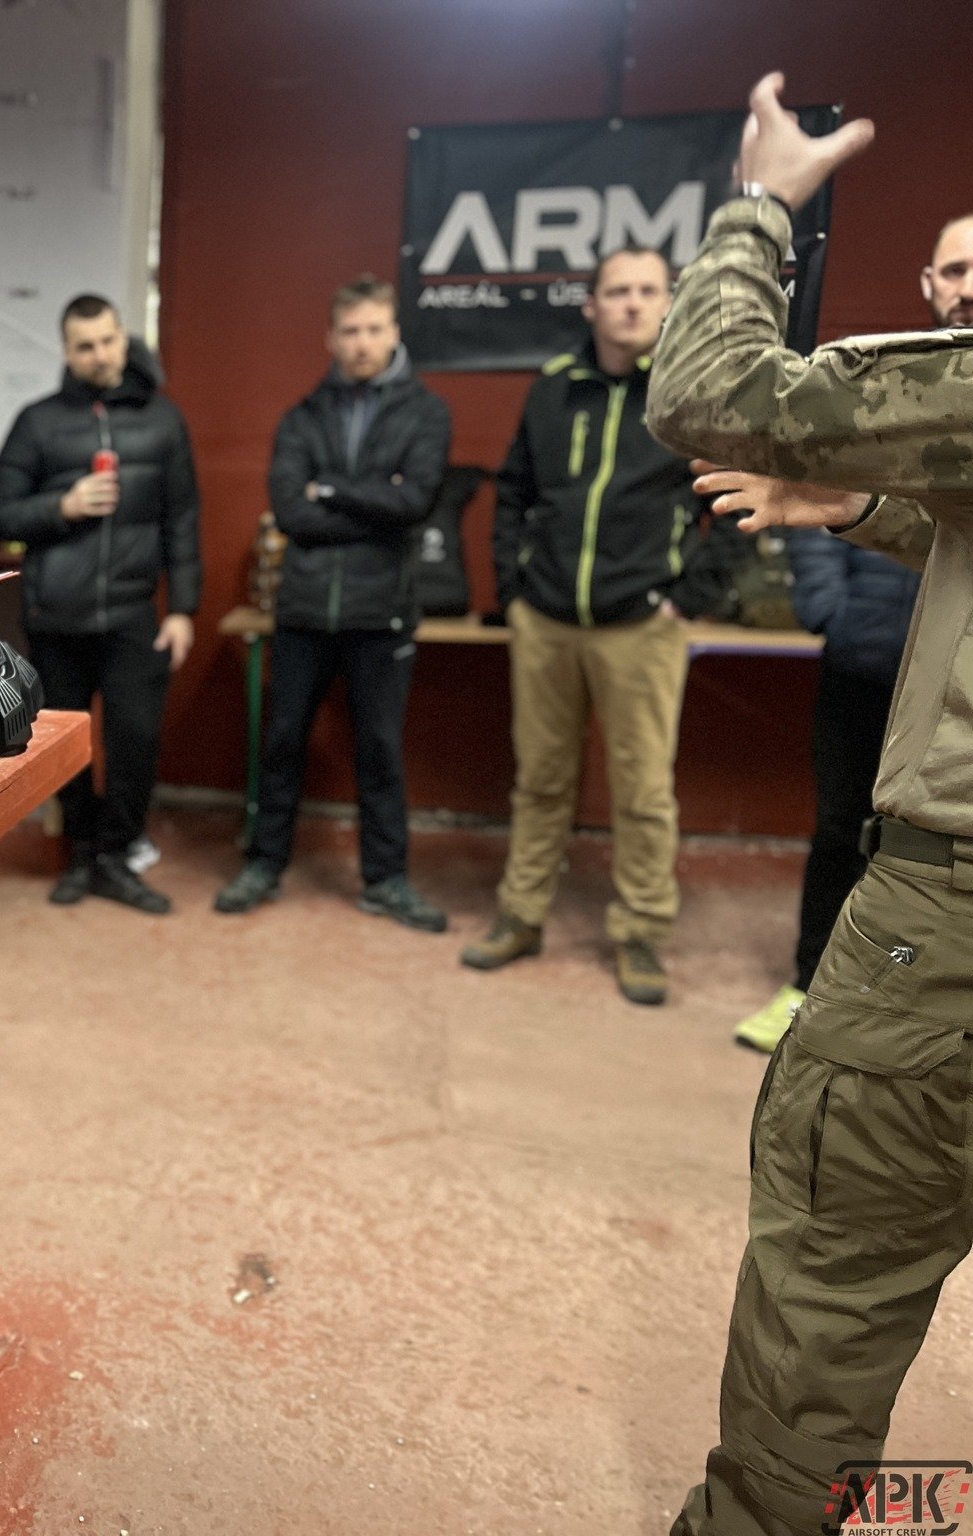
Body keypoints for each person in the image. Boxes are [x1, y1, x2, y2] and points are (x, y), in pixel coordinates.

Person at [643, 74, 973, 1536]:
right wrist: (860, 508)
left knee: (828, 1300)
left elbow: (708, 392)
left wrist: (761, 204)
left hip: (946, 939)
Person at [727, 212, 968, 1051]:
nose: (968, 286)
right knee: (841, 833)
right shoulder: (889, 401)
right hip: (867, 665)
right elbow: (824, 502)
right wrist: (839, 603)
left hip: (955, 714)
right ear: (929, 283)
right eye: (955, 269)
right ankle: (808, 989)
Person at [458, 246, 715, 1004]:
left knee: (641, 790)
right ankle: (521, 914)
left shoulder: (688, 393)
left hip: (642, 626)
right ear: (590, 305)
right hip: (547, 622)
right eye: (617, 291)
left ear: (668, 304)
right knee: (538, 780)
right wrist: (514, 593)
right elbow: (513, 491)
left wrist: (688, 595)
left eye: (647, 291)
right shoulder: (552, 389)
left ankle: (640, 933)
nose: (632, 304)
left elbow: (732, 501)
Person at [214, 276, 450, 931]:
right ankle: (265, 865)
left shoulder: (425, 413)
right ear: (331, 338)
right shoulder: (302, 415)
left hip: (383, 614)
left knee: (379, 749)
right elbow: (290, 511)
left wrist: (332, 492)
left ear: (394, 333)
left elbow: (417, 503)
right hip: (305, 612)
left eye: (375, 329)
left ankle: (387, 880)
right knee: (282, 742)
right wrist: (371, 497)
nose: (363, 342)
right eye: (350, 331)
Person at [0, 294, 200, 913]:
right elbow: (0, 514)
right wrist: (63, 505)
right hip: (57, 617)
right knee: (65, 745)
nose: (99, 355)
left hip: (135, 614)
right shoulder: (39, 423)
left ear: (123, 339)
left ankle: (118, 855)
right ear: (66, 351)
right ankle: (81, 854)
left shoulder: (162, 422)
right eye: (85, 345)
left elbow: (183, 518)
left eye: (108, 341)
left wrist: (183, 607)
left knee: (135, 740)